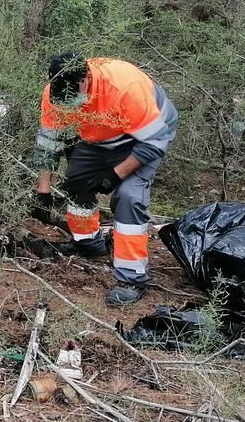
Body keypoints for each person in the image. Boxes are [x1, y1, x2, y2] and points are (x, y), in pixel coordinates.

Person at [32, 53, 178, 306]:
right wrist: (42, 191)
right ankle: (88, 244)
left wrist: (114, 175)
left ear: (84, 80)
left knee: (128, 198)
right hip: (98, 138)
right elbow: (48, 145)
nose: (69, 105)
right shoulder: (54, 93)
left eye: (72, 98)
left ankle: (132, 277)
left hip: (143, 138)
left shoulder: (124, 88)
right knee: (77, 181)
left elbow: (155, 141)